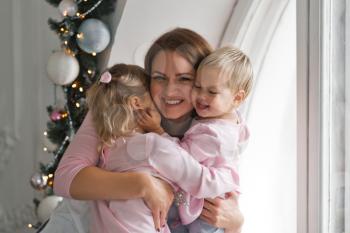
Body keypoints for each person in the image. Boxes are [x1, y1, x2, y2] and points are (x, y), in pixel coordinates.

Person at [50, 28, 244, 233]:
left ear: (203, 82)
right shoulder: (120, 109)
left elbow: (222, 201)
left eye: (184, 79)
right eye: (160, 77)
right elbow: (65, 178)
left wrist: (236, 224)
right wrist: (142, 184)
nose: (170, 91)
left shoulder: (215, 132)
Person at [83, 63, 241, 233]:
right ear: (137, 103)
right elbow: (198, 178)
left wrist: (236, 223)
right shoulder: (151, 144)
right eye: (153, 99)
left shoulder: (107, 150)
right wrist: (228, 178)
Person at [137, 46, 252, 233]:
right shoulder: (233, 120)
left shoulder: (213, 134)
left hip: (204, 209)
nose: (201, 96)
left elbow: (180, 158)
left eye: (212, 92)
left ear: (237, 98)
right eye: (198, 87)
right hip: (206, 200)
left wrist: (157, 131)